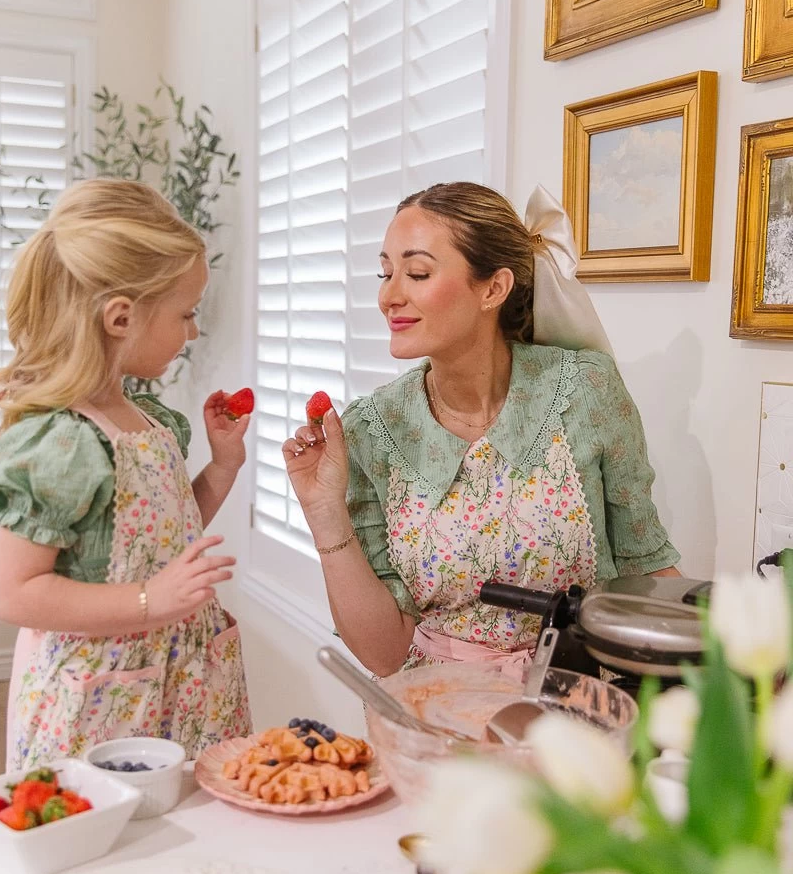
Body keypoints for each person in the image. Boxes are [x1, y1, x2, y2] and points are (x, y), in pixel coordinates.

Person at [283, 182, 680, 678]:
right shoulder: (371, 430)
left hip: (572, 707)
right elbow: (384, 655)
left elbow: (646, 571)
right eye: (386, 273)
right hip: (431, 709)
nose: (388, 296)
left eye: (417, 273)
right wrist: (325, 515)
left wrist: (725, 667)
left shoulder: (585, 391)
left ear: (493, 289)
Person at [0, 178, 252, 766]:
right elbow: (13, 593)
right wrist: (152, 600)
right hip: (100, 707)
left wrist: (222, 467)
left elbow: (158, 540)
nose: (193, 331)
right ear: (121, 318)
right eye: (186, 313)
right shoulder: (64, 443)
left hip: (178, 686)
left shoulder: (145, 419)